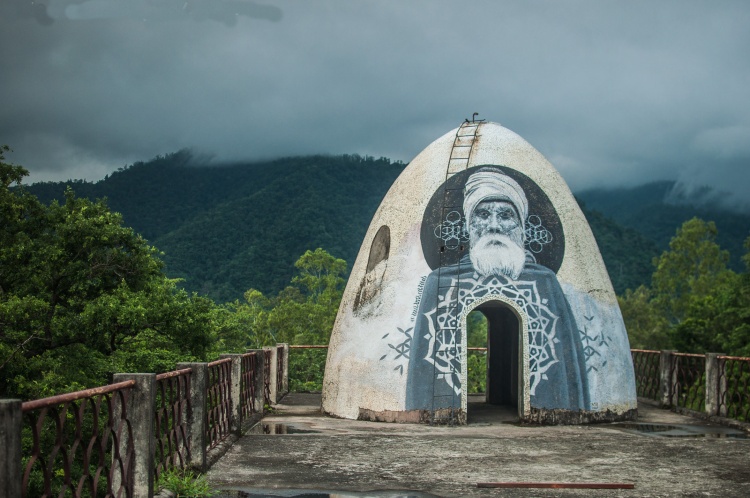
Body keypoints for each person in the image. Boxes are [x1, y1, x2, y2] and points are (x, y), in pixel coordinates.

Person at [405, 167, 590, 412]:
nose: (494, 225)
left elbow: (564, 367)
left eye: (505, 215)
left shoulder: (546, 283)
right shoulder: (441, 282)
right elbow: (424, 365)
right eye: (482, 214)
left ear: (522, 227)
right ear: (468, 226)